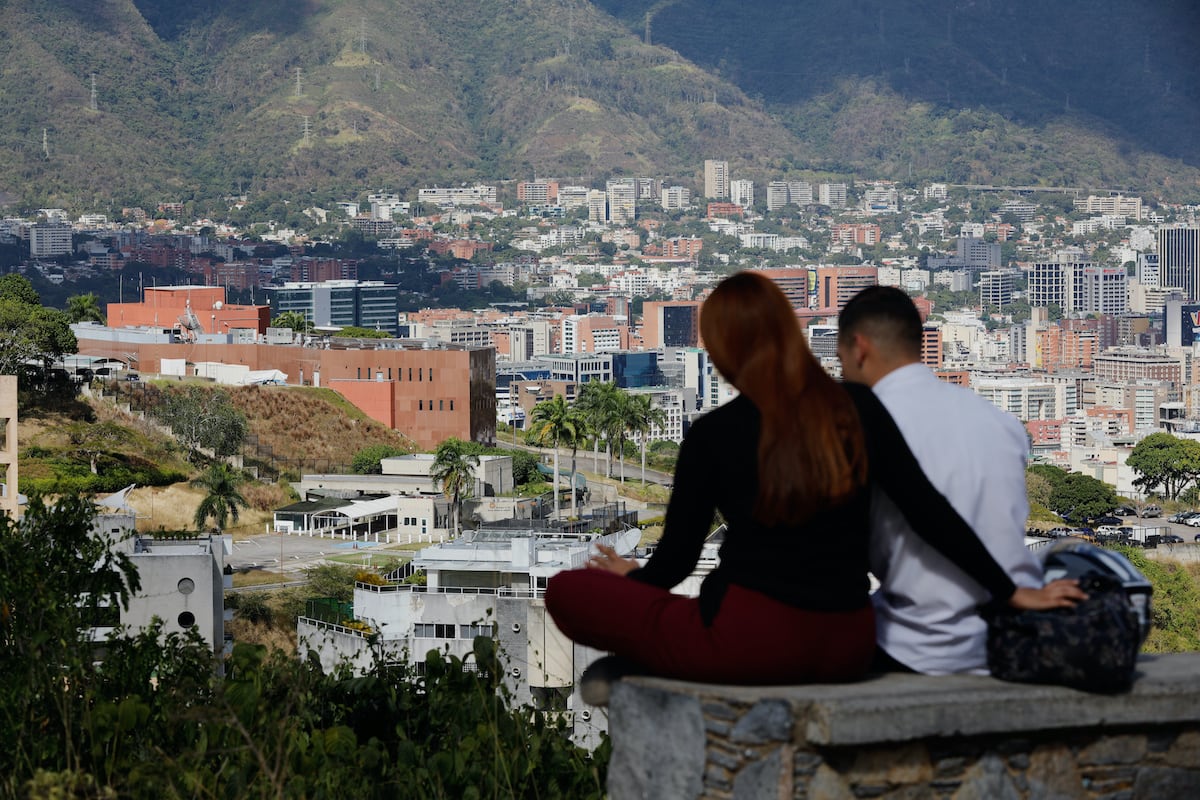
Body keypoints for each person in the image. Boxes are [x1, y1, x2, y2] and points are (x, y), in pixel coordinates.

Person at [545, 272, 1078, 701]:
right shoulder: (857, 406)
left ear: (721, 350)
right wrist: (1012, 591)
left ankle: (663, 662)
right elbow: (928, 511)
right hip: (847, 644)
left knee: (567, 591)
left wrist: (634, 580)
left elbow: (676, 564)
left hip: (753, 643)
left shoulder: (714, 434)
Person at [837, 285, 1085, 674]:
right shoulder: (1000, 422)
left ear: (858, 348)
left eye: (840, 360)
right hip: (1009, 637)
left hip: (914, 644)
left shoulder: (863, 424)